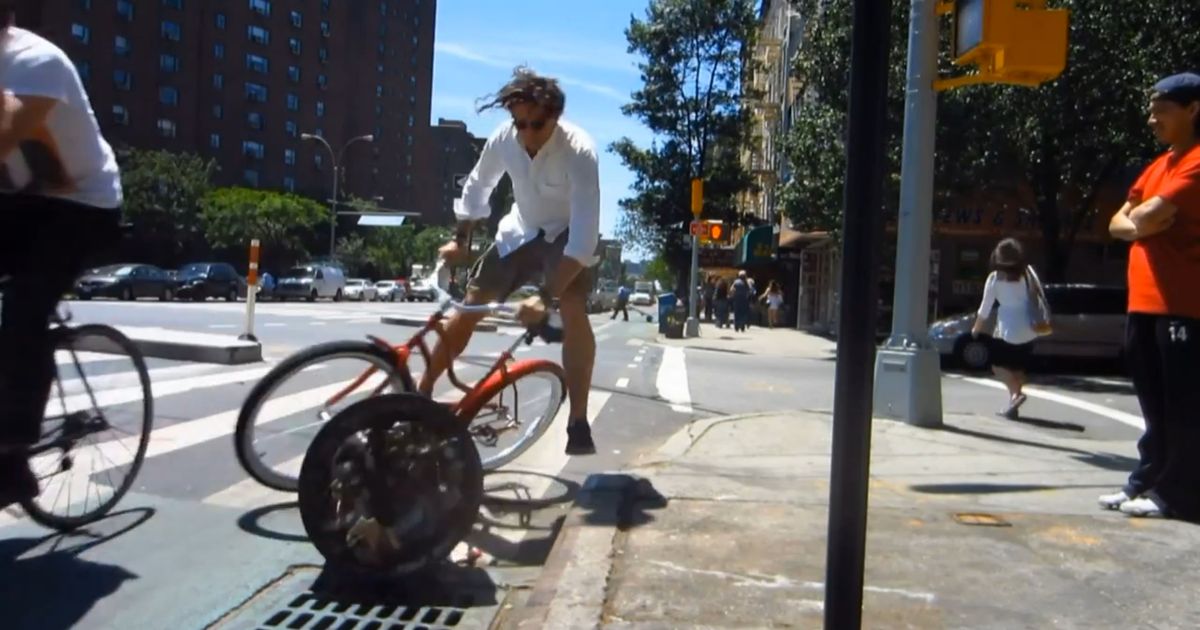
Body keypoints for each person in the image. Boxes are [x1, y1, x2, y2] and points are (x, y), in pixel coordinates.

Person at [420, 67, 601, 455]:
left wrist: (544, 295)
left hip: (566, 237)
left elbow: (584, 241)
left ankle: (579, 421)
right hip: (520, 231)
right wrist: (460, 240)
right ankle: (419, 397)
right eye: (520, 124)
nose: (527, 135)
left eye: (537, 125)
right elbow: (478, 186)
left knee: (571, 306)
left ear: (555, 117)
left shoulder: (580, 152)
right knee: (469, 307)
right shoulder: (506, 140)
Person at [0, 5, 124, 507]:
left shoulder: (34, 64)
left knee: (25, 308)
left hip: (82, 207)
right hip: (20, 197)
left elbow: (5, 142)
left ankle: (12, 454)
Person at [1100, 72, 1200, 520]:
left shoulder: (1197, 161)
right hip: (1143, 301)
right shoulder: (1160, 165)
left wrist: (1139, 221)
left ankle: (1177, 494)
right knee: (1153, 403)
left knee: (1182, 405)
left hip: (1183, 304)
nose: (1152, 117)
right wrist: (1139, 223)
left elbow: (1147, 214)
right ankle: (1147, 481)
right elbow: (1121, 222)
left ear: (1193, 109)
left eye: (1161, 109)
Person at [970, 238, 1043, 420]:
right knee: (1017, 369)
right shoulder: (1027, 276)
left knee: (997, 366)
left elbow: (984, 309)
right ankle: (1013, 406)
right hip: (1030, 330)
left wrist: (976, 329)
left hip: (1007, 331)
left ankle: (1015, 396)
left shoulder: (995, 278)